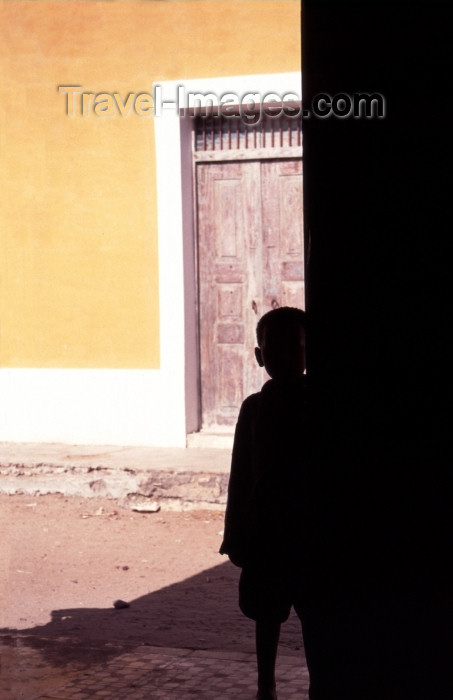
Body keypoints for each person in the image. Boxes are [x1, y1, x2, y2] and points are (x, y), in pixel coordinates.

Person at [220, 306, 309, 700]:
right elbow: (240, 475)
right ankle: (266, 684)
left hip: (310, 531)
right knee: (266, 616)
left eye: (296, 349)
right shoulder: (252, 409)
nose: (287, 359)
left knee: (315, 616)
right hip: (267, 531)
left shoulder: (319, 405)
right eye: (276, 351)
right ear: (260, 357)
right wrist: (235, 535)